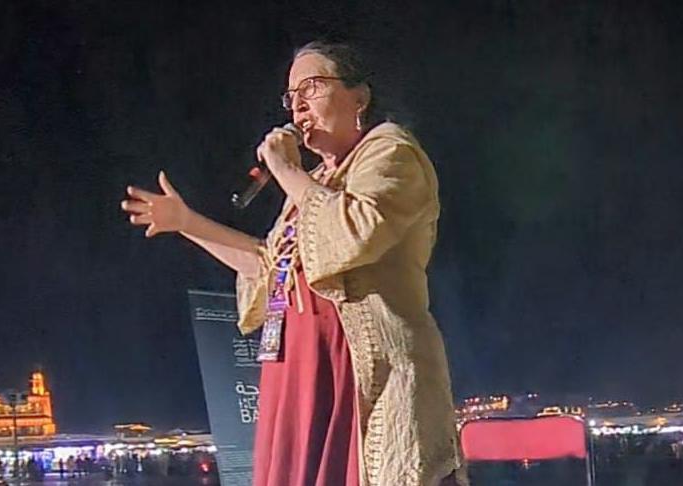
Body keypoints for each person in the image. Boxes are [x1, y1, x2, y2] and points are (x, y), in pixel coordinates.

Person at [122, 41, 465, 486]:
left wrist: (287, 171)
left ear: (359, 97)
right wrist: (188, 223)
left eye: (313, 86)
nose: (298, 104)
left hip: (356, 368)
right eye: (290, 95)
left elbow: (356, 232)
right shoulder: (315, 182)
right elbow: (271, 270)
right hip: (299, 370)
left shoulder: (390, 152)